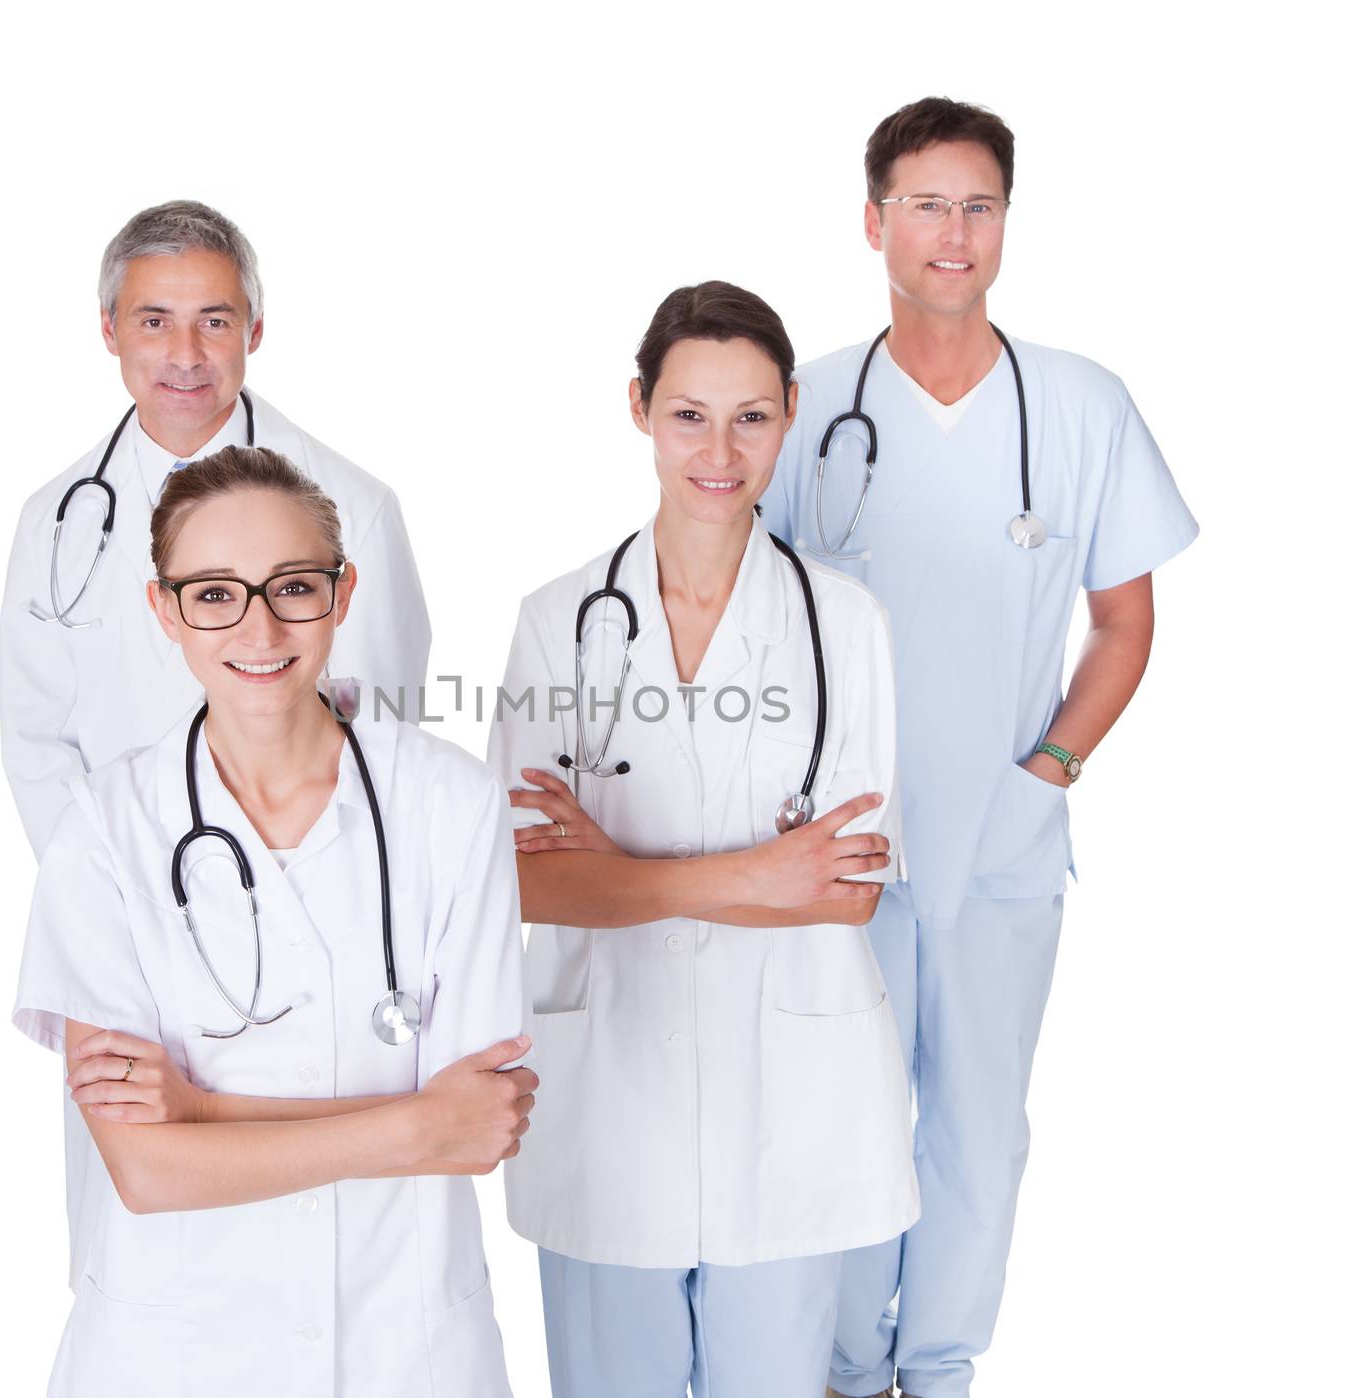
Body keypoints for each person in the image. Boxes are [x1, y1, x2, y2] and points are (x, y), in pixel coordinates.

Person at [760, 99, 1199, 1398]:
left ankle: (938, 1367)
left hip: (1001, 838)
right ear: (872, 220)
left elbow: (1124, 621)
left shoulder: (1077, 404)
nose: (953, 234)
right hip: (834, 834)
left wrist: (1046, 772)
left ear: (1006, 220)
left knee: (978, 1134)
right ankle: (843, 1368)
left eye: (978, 205)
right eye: (926, 204)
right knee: (840, 1121)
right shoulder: (801, 405)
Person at [13, 446, 529, 1396]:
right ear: (163, 609)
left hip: (401, 1345)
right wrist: (414, 1122)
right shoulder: (105, 832)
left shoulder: (451, 804)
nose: (258, 624)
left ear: (343, 592)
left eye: (292, 586)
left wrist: (202, 1109)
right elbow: (146, 1170)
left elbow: (478, 1132)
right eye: (214, 594)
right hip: (179, 1349)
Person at [488, 282, 918, 1398]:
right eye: (688, 414)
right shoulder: (559, 620)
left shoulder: (844, 627)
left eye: (751, 417)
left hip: (793, 1101)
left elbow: (847, 895)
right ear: (638, 407)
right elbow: (530, 886)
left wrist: (620, 872)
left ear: (789, 413)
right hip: (606, 1096)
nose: (719, 451)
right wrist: (760, 873)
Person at [0, 199, 429, 859]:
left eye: (215, 321)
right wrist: (104, 887)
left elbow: (377, 727)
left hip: (300, 886)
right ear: (110, 331)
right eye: (154, 321)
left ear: (254, 331)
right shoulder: (54, 523)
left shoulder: (354, 506)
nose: (186, 355)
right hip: (115, 890)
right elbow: (37, 739)